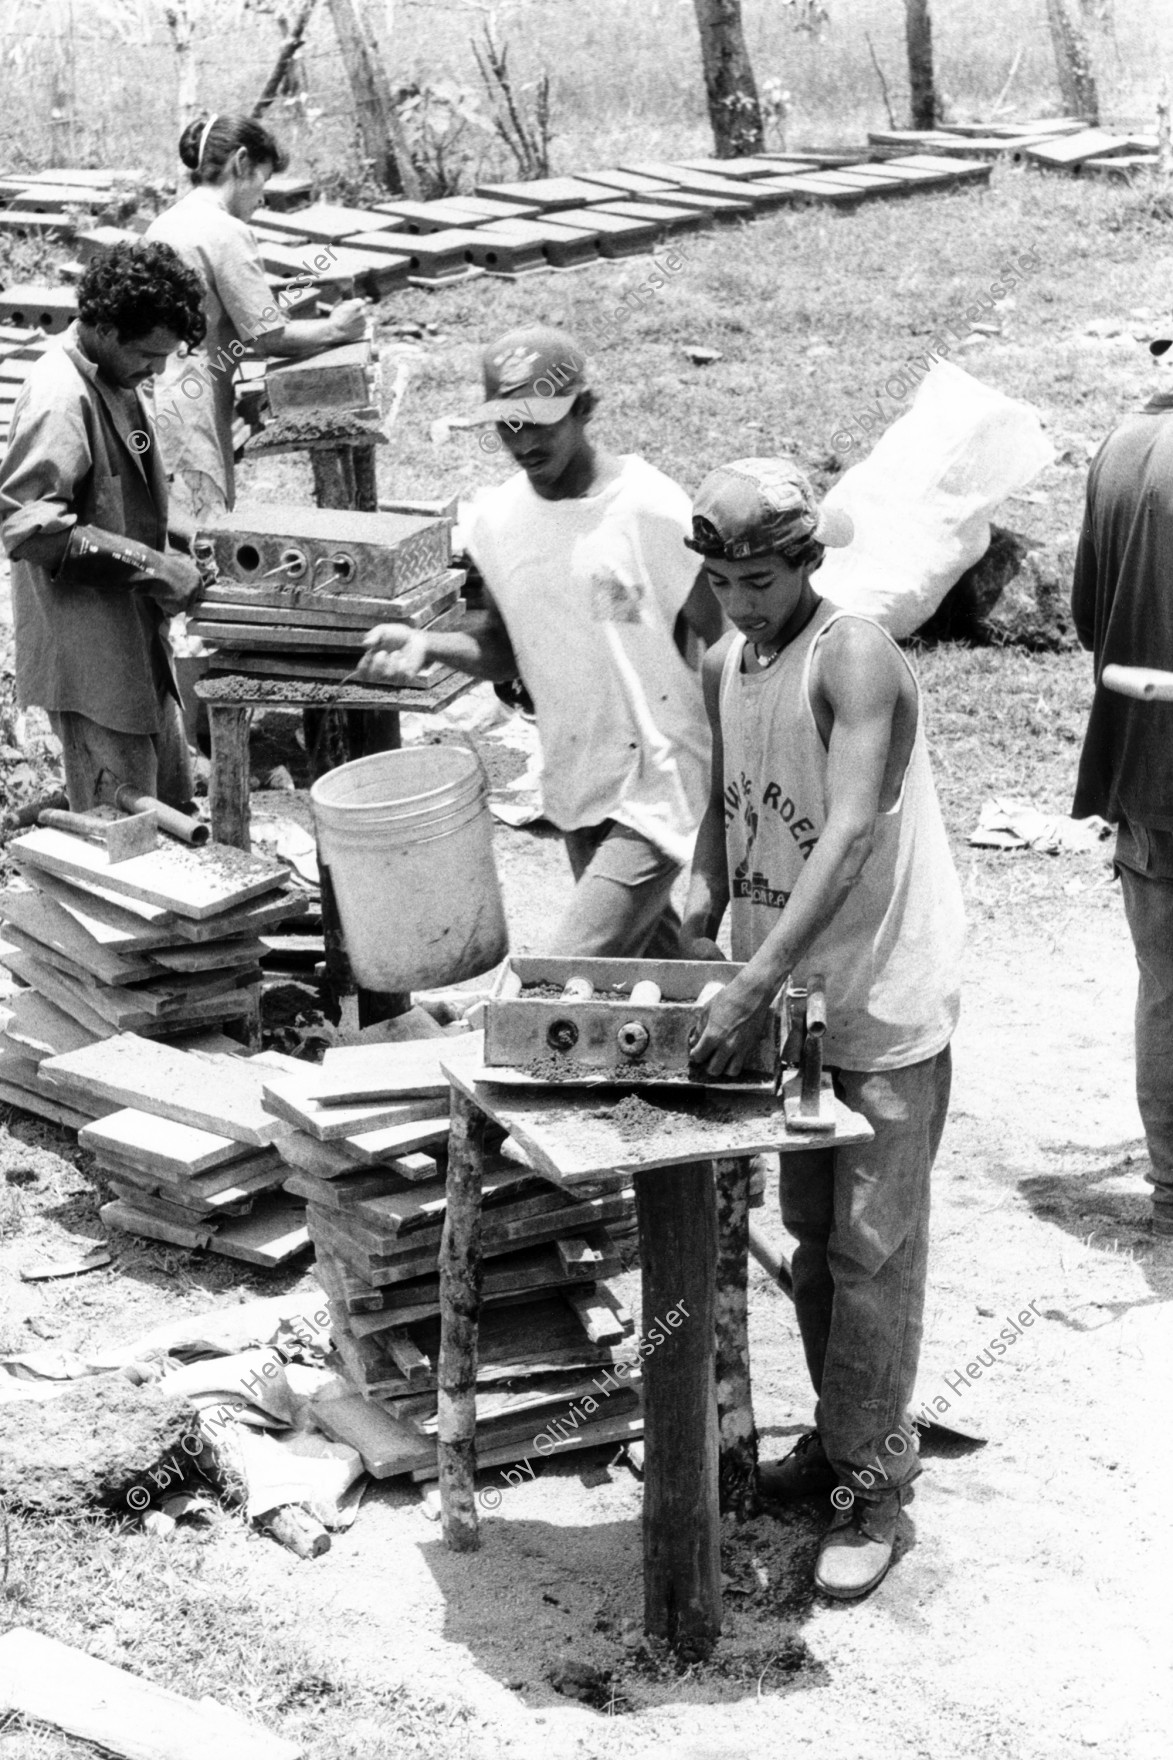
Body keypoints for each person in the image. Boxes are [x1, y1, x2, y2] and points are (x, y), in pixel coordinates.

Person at [682, 458, 965, 1601]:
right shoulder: (723, 658)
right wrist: (703, 887)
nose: (743, 600)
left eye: (760, 576)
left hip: (880, 995)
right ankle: (841, 1447)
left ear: (807, 559)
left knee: (874, 1249)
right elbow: (725, 801)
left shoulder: (852, 654)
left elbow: (846, 833)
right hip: (790, 997)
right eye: (723, 580)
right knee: (810, 1237)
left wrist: (750, 982)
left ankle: (875, 1491)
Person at [357, 325, 724, 957]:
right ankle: (734, 1029)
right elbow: (507, 646)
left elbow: (722, 642)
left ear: (585, 408)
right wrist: (428, 644)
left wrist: (742, 764)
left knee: (568, 966)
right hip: (578, 769)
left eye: (539, 423)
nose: (522, 443)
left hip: (664, 772)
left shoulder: (649, 507)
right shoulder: (497, 523)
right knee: (651, 965)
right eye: (507, 426)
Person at [0, 240, 207, 812]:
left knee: (173, 809)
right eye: (149, 353)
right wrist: (157, 566)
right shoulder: (59, 398)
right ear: (108, 328)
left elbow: (121, 482)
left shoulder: (115, 377)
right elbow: (32, 532)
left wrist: (183, 534)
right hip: (92, 661)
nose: (159, 369)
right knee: (124, 837)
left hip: (136, 640)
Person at [1071, 341, 1173, 1238]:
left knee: (1164, 983)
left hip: (1143, 767)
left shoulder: (1120, 446)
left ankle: (1172, 1187)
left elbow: (1084, 617)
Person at [145, 111, 367, 517]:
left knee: (166, 522)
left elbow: (213, 301)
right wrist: (337, 328)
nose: (262, 198)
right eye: (263, 180)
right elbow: (267, 337)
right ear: (241, 162)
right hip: (193, 408)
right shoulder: (226, 231)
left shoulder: (165, 223)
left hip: (155, 396)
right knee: (202, 530)